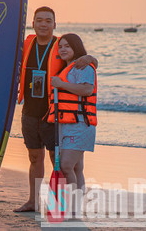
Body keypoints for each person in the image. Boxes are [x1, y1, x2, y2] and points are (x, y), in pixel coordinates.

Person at [14, 7, 97, 212]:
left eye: (48, 20)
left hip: (54, 115)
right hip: (29, 112)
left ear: (54, 24)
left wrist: (90, 59)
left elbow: (85, 61)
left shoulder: (61, 46)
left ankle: (61, 205)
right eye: (39, 20)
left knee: (57, 161)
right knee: (34, 158)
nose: (43, 24)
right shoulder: (26, 44)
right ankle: (33, 201)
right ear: (33, 23)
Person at [48, 33, 97, 191]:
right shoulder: (65, 68)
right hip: (65, 124)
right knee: (76, 168)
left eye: (67, 46)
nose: (63, 49)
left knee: (66, 166)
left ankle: (72, 201)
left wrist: (61, 84)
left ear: (76, 47)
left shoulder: (83, 66)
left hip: (80, 124)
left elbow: (87, 89)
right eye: (60, 46)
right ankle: (76, 203)